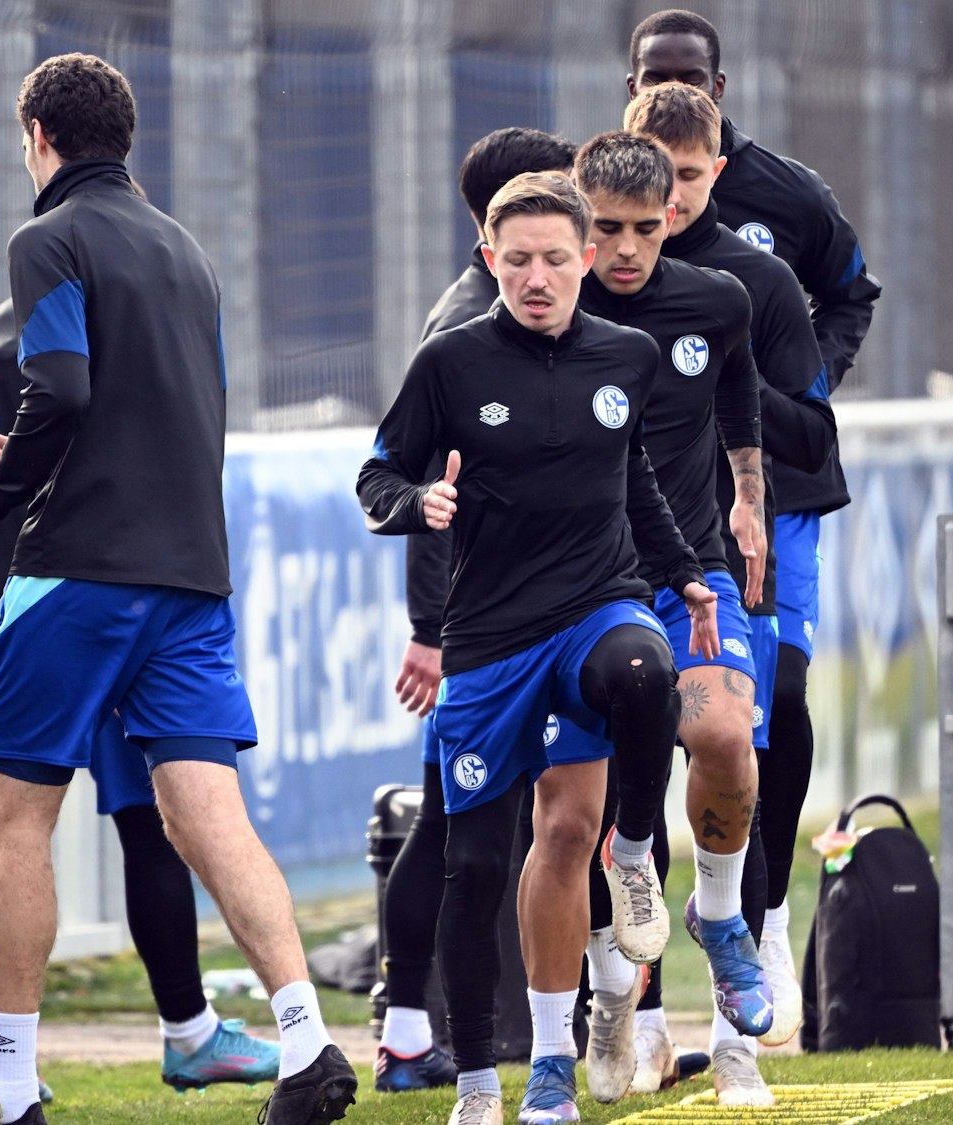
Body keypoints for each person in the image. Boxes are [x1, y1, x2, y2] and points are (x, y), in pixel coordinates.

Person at [0, 54, 353, 1125]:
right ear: (125, 138)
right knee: (206, 811)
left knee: (16, 816)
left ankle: (8, 1082)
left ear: (37, 133)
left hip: (78, 569)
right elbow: (168, 406)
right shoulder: (186, 250)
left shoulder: (47, 237)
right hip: (189, 574)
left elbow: (62, 385)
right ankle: (306, 1039)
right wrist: (40, 461)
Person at [357, 170, 716, 1125]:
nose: (538, 276)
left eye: (557, 258)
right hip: (490, 639)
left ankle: (632, 853)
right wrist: (414, 505)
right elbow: (377, 471)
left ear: (587, 259)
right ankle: (486, 1080)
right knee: (472, 865)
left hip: (597, 605)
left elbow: (632, 475)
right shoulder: (450, 364)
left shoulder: (628, 357)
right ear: (490, 261)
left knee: (645, 672)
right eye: (517, 260)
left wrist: (682, 570)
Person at [629, 7, 879, 1047]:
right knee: (625, 730)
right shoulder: (601, 218)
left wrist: (775, 378)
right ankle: (623, 1000)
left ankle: (762, 918)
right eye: (649, 75)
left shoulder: (782, 212)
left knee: (773, 697)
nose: (669, 195)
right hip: (642, 516)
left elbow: (850, 298)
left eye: (691, 175)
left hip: (774, 501)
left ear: (719, 101)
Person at [0, 299, 281, 1097]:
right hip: (102, 606)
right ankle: (182, 1030)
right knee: (125, 822)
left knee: (12, 827)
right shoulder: (138, 327)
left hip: (28, 611)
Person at [565, 131, 774, 1109]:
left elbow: (737, 399)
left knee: (727, 739)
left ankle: (723, 925)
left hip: (692, 575)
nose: (623, 251)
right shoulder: (543, 308)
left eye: (644, 230)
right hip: (582, 589)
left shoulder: (714, 302)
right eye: (604, 229)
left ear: (673, 218)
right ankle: (630, 1018)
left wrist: (748, 502)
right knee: (595, 817)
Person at [378, 126, 576, 1096]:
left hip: (508, 616)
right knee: (458, 829)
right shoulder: (463, 331)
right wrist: (432, 632)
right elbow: (417, 490)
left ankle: (410, 1031)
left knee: (462, 826)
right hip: (481, 627)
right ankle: (409, 1030)